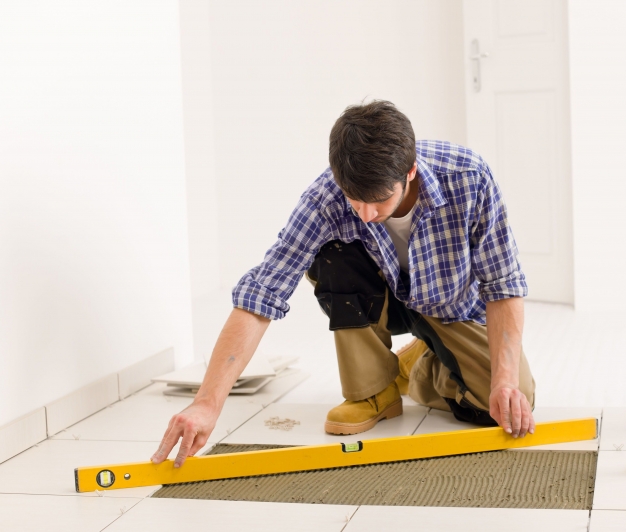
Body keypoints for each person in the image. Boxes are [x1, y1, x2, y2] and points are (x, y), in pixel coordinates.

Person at [152, 100, 536, 468]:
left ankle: (419, 363)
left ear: (410, 172)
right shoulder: (324, 199)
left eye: (379, 199)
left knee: (504, 403)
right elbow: (261, 295)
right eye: (354, 200)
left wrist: (503, 382)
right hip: (378, 298)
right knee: (334, 253)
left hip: (448, 307)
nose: (366, 215)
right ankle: (373, 390)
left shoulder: (468, 177)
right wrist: (206, 403)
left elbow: (502, 284)